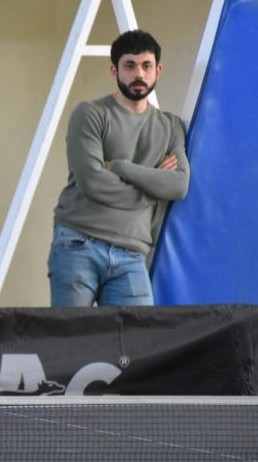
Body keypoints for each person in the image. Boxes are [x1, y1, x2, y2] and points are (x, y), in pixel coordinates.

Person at [48, 29, 190, 307]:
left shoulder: (171, 126)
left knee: (136, 335)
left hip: (132, 254)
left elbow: (178, 185)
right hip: (78, 242)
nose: (139, 74)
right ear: (114, 70)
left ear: (158, 70)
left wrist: (120, 167)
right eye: (129, 66)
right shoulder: (90, 114)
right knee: (70, 335)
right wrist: (154, 187)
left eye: (146, 66)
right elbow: (93, 183)